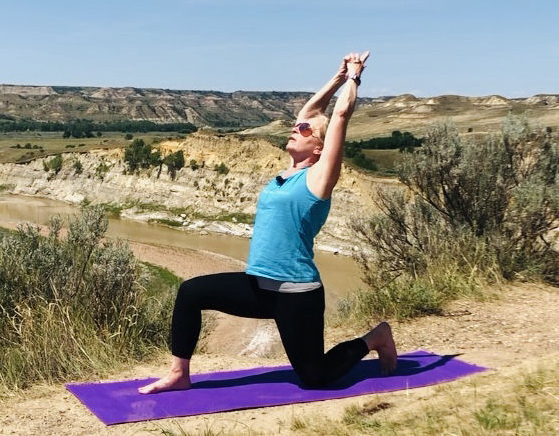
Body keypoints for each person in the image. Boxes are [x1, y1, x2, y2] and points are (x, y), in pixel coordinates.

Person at [138, 51, 397, 394]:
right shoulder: (287, 174)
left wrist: (354, 77)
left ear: (319, 147)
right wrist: (334, 77)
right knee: (190, 292)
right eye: (296, 126)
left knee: (315, 377)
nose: (297, 127)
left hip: (296, 294)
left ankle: (374, 338)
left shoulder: (320, 178)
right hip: (258, 287)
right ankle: (179, 374)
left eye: (304, 129)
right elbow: (309, 112)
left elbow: (339, 116)